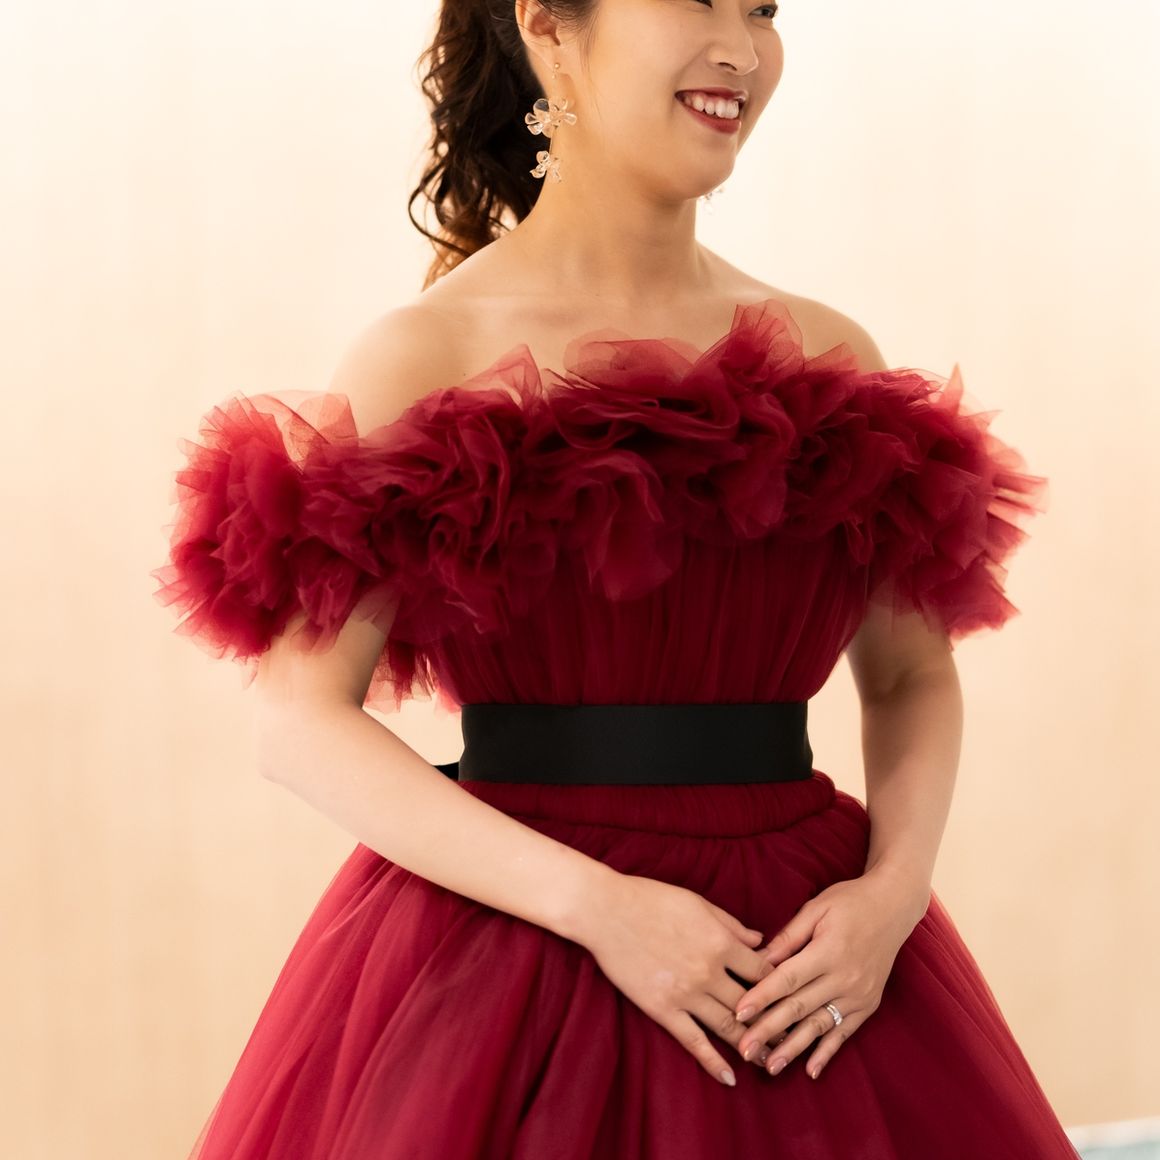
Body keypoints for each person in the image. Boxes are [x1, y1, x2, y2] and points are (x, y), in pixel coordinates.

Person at [151, 1, 1081, 1156]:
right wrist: (598, 908)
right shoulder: (427, 354)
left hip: (802, 965)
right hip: (514, 951)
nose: (740, 46)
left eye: (762, 9)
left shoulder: (827, 352)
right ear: (547, 25)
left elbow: (907, 676)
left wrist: (889, 897)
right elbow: (297, 721)